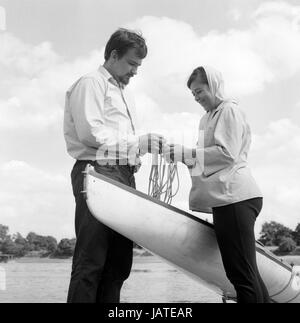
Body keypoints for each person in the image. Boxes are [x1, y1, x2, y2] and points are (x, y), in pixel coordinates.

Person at [63, 28, 163, 303]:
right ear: (114, 55)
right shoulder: (90, 83)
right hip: (96, 171)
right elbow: (90, 132)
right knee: (91, 259)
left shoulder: (125, 93)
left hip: (122, 174)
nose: (135, 71)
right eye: (132, 63)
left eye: (138, 66)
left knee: (119, 262)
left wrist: (134, 156)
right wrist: (137, 145)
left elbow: (119, 139)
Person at [163, 66, 270, 303]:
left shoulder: (229, 110)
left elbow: (226, 154)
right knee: (246, 273)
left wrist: (187, 153)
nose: (197, 97)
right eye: (193, 94)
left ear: (214, 86)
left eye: (200, 91)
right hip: (227, 199)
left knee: (240, 274)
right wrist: (178, 155)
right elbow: (201, 158)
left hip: (236, 196)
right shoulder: (206, 118)